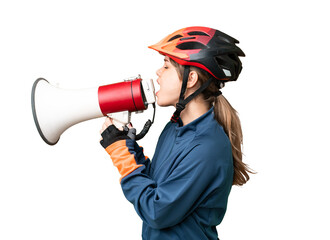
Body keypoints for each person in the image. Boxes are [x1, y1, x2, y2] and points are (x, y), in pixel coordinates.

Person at [99, 26, 253, 240]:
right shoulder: (175, 126)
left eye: (166, 66)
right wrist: (127, 145)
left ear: (190, 80)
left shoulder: (207, 148)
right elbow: (158, 183)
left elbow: (157, 211)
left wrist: (121, 155)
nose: (158, 74)